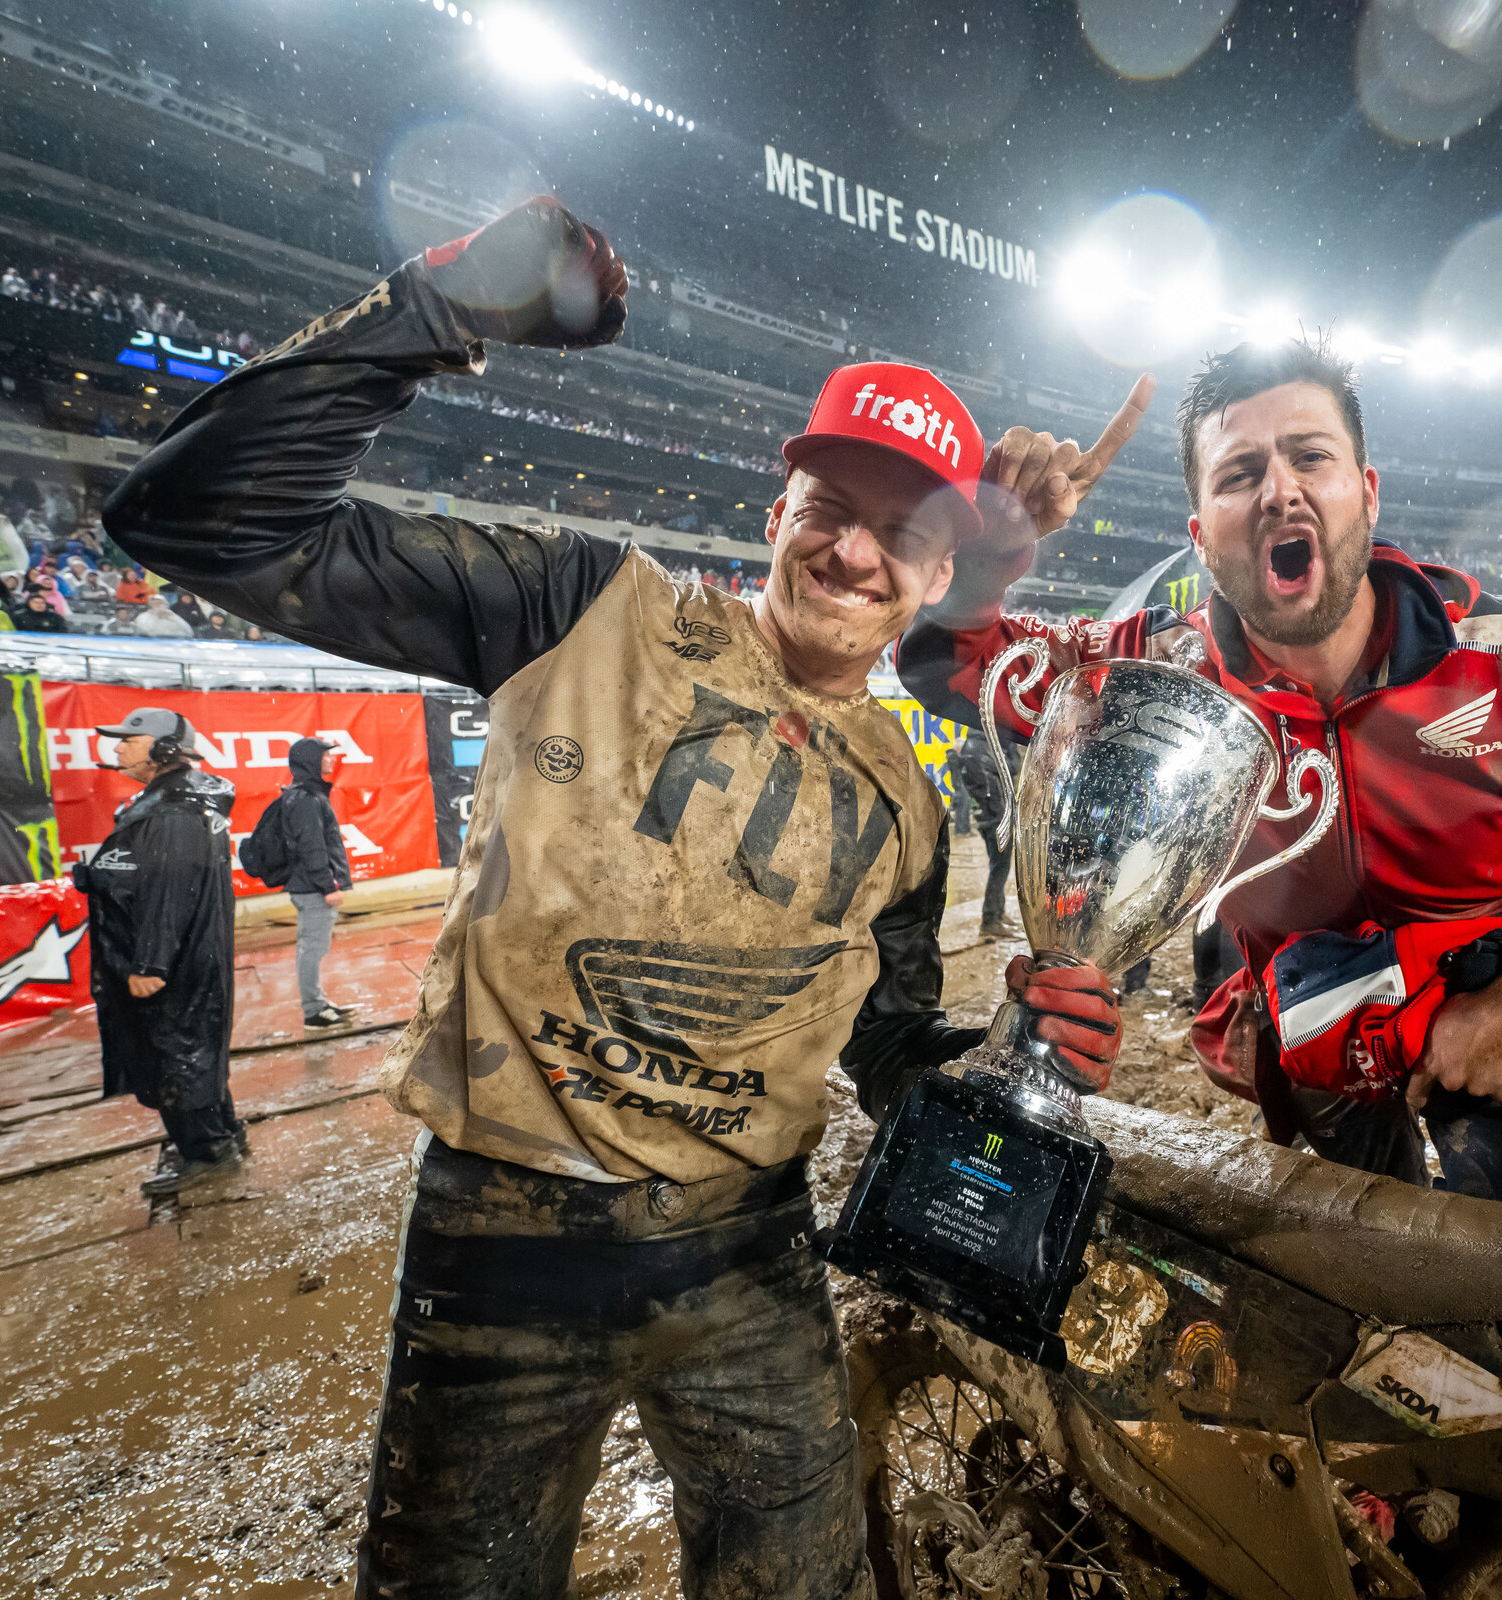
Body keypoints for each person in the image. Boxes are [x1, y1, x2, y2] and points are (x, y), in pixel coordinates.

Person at [103, 195, 1123, 1600]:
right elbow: (188, 519)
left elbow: (887, 1046)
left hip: (749, 1255)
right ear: (780, 512)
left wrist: (1016, 1059)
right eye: (831, 508)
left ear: (940, 578)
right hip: (501, 1237)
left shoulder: (908, 795)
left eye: (899, 533)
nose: (850, 552)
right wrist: (438, 311)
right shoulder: (582, 608)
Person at [902, 337, 1502, 1205]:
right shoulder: (1151, 673)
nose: (1279, 492)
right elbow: (951, 660)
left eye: (1310, 457)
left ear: (1366, 493)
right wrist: (980, 560)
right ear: (1201, 534)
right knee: (1347, 1288)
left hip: (1499, 1045)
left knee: (1497, 1303)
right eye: (1240, 474)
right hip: (1311, 1041)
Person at [69, 708, 243, 1197]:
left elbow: (169, 891)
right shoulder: (182, 801)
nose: (118, 747)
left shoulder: (171, 811)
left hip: (172, 965)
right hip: (193, 958)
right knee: (197, 1051)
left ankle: (206, 1154)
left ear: (165, 749)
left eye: (130, 739)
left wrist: (151, 962)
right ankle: (220, 1133)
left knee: (177, 1054)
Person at [247, 737, 357, 1030]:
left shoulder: (306, 795)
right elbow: (312, 847)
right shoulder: (306, 799)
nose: (331, 760)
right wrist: (328, 886)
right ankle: (313, 1011)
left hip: (309, 885)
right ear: (311, 761)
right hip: (311, 888)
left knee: (313, 947)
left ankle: (318, 1003)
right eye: (325, 756)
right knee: (312, 948)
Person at [949, 731, 1018, 939]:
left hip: (987, 816)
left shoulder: (973, 747)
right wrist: (1012, 746)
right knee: (999, 868)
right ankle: (990, 920)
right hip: (996, 817)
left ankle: (999, 911)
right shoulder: (984, 748)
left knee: (998, 866)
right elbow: (1012, 767)